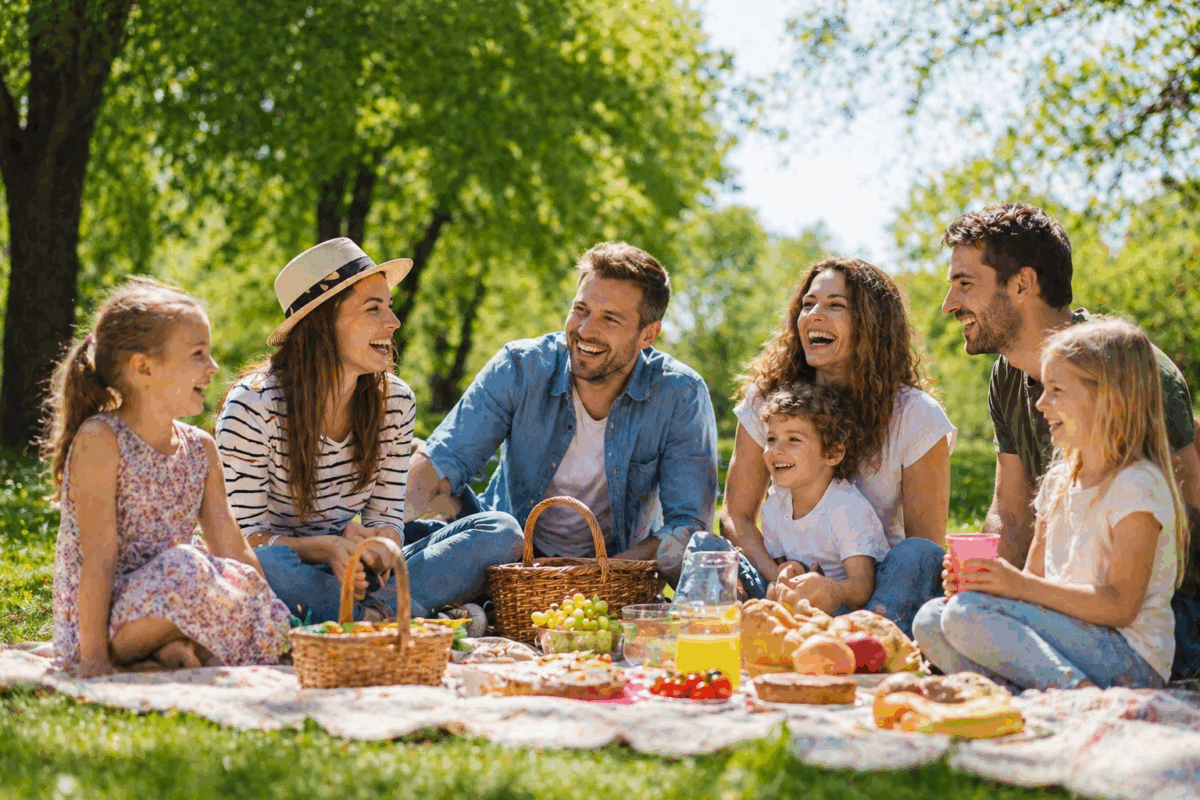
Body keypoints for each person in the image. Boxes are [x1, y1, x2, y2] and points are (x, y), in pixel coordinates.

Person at [940, 202, 1200, 679]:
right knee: (937, 604)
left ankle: (1056, 689)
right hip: (1063, 604)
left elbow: (1189, 515)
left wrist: (1021, 601)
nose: (949, 304)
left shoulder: (1128, 371)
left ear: (1022, 284)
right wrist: (983, 581)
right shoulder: (1008, 376)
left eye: (964, 283)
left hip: (1158, 614)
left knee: (969, 621)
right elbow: (1013, 513)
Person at [215, 238, 523, 623]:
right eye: (373, 309)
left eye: (389, 307)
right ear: (323, 323)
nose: (393, 322)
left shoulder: (395, 402)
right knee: (263, 564)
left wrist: (377, 549)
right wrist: (326, 549)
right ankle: (392, 615)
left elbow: (386, 520)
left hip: (356, 574)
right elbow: (241, 540)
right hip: (288, 568)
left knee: (500, 530)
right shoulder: (254, 405)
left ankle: (364, 615)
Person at [913, 318, 1187, 691]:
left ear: (1109, 399)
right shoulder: (1059, 480)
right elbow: (1036, 582)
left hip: (1130, 658)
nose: (1041, 403)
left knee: (965, 614)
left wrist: (1016, 586)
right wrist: (988, 583)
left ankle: (1072, 693)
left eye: (1056, 390)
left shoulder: (1136, 485)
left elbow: (1120, 607)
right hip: (1068, 638)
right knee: (931, 617)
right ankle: (1014, 693)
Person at [407, 241, 718, 563]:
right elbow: (445, 459)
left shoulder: (680, 393)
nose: (585, 330)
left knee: (702, 550)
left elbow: (687, 524)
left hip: (615, 566)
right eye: (581, 310)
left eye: (609, 319)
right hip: (505, 557)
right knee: (419, 479)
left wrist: (600, 575)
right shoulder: (520, 367)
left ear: (648, 335)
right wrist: (380, 530)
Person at [46, 278, 291, 677]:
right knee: (189, 565)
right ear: (143, 368)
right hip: (100, 620)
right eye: (198, 355)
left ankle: (170, 649)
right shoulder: (102, 440)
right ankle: (162, 647)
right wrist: (91, 658)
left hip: (176, 598)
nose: (212, 367)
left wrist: (272, 614)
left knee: (236, 576)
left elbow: (231, 543)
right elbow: (99, 555)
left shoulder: (200, 447)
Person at [717, 257, 956, 636]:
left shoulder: (917, 416)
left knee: (921, 555)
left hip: (874, 596)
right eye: (808, 304)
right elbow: (736, 516)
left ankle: (870, 645)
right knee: (705, 549)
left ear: (871, 324)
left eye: (835, 305)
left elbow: (924, 550)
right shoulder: (768, 401)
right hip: (785, 591)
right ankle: (762, 638)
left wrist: (837, 592)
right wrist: (779, 576)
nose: (814, 315)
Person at [681, 383, 888, 613]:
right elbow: (779, 572)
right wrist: (784, 575)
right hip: (791, 604)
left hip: (841, 610)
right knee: (704, 545)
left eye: (793, 440)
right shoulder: (774, 507)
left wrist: (826, 589)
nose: (776, 450)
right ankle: (692, 626)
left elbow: (861, 589)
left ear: (832, 453)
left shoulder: (846, 508)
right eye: (771, 439)